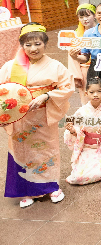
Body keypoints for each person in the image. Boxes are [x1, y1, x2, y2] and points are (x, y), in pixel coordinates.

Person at [1, 24, 73, 207]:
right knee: (22, 152)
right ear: (22, 46)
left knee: (47, 151)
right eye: (28, 44)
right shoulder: (10, 67)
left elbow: (67, 87)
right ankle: (26, 190)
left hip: (43, 117)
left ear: (45, 44)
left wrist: (47, 95)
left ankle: (52, 187)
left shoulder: (55, 66)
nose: (33, 48)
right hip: (20, 118)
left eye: (37, 44)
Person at [63, 76, 101, 185]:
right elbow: (77, 130)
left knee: (98, 173)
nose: (95, 95)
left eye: (99, 91)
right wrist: (73, 131)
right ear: (86, 93)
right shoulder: (82, 111)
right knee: (76, 177)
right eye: (92, 92)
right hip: (87, 148)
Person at [68, 3, 96, 104]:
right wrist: (76, 76)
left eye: (88, 15)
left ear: (94, 15)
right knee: (86, 96)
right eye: (81, 17)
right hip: (85, 70)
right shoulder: (76, 35)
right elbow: (71, 56)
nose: (85, 19)